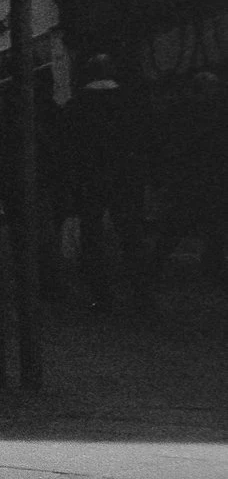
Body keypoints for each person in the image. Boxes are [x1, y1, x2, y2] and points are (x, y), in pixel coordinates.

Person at [65, 54, 154, 311]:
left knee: (92, 233)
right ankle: (141, 291)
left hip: (91, 176)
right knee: (130, 232)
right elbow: (144, 138)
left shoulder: (77, 105)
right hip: (125, 174)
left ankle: (102, 293)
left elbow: (70, 146)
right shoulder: (129, 101)